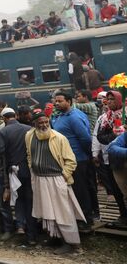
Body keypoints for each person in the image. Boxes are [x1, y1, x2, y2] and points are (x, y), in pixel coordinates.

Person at [26, 110, 85, 255]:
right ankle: (55, 238)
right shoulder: (29, 136)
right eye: (41, 123)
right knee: (47, 212)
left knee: (63, 213)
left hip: (56, 179)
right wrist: (32, 170)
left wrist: (64, 176)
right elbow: (29, 155)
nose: (44, 125)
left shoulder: (59, 138)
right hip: (39, 178)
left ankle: (72, 244)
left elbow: (71, 161)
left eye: (46, 122)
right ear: (34, 124)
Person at [50, 90, 94, 230]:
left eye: (60, 101)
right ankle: (80, 216)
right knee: (76, 190)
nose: (56, 103)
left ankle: (86, 219)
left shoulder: (74, 117)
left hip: (77, 159)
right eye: (55, 101)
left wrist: (86, 155)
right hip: (67, 160)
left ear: (69, 102)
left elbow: (85, 139)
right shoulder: (60, 116)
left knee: (81, 189)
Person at [0, 107, 37, 245]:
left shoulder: (4, 131)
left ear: (4, 118)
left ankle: (20, 225)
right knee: (30, 200)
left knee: (18, 199)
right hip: (29, 170)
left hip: (14, 172)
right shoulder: (28, 128)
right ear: (15, 116)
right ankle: (32, 235)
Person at [92, 91, 127, 225]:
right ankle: (123, 215)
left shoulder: (125, 115)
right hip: (109, 158)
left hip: (124, 159)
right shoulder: (104, 118)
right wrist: (114, 135)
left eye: (112, 99)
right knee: (116, 189)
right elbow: (100, 137)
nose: (109, 102)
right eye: (108, 99)